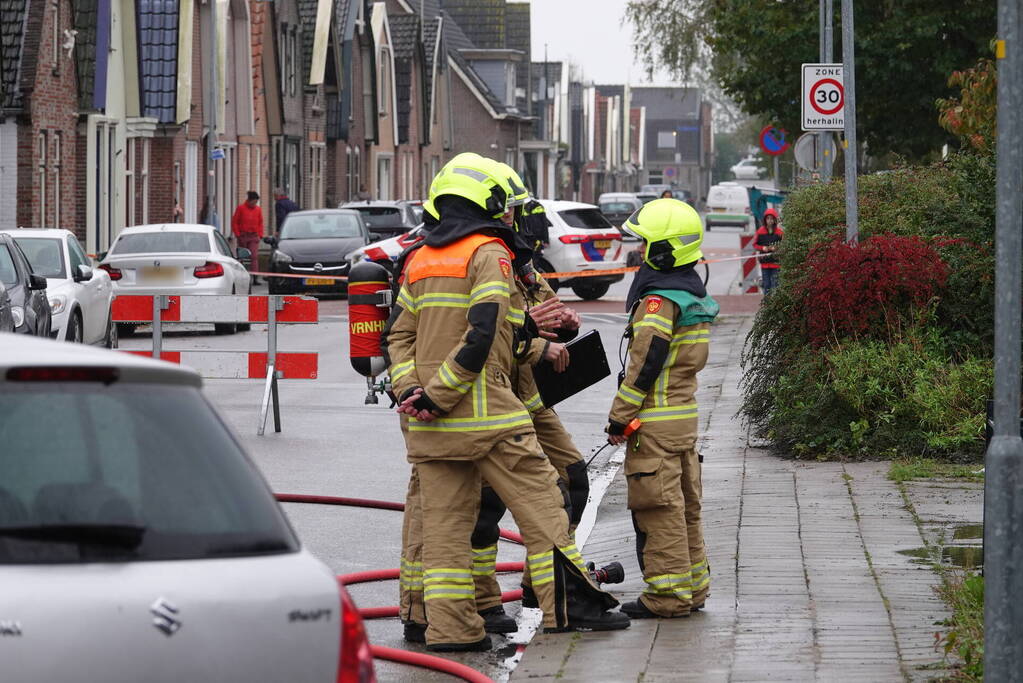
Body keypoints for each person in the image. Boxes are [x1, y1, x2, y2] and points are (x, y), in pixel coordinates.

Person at [384, 153, 628, 652]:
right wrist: (442, 393)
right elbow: (485, 329)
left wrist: (413, 392)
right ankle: (571, 604)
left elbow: (398, 338)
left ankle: (451, 629)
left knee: (445, 530)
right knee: (544, 507)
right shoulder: (487, 253)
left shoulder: (420, 257)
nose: (513, 218)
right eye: (507, 207)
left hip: (428, 427)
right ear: (488, 203)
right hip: (488, 417)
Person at [607, 198, 718, 619]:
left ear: (663, 250)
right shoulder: (692, 296)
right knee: (686, 508)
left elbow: (644, 364)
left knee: (659, 511)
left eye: (645, 243)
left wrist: (620, 416)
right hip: (683, 420)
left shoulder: (659, 302)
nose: (639, 251)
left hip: (652, 422)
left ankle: (669, 597)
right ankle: (695, 589)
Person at [231, 191, 264, 271]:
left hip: (254, 236)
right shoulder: (241, 208)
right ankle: (241, 273)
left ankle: (255, 275)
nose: (255, 204)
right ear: (249, 200)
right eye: (254, 202)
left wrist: (260, 235)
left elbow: (260, 223)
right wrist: (238, 234)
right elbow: (235, 222)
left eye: (256, 202)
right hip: (243, 236)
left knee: (254, 256)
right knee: (242, 256)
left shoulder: (258, 210)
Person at [754, 207, 783, 295]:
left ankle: (774, 304)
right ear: (765, 220)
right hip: (765, 263)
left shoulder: (779, 233)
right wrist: (763, 248)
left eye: (772, 218)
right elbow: (755, 245)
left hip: (776, 264)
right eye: (768, 218)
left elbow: (784, 245)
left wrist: (777, 248)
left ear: (775, 220)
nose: (769, 221)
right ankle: (767, 303)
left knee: (775, 285)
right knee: (766, 284)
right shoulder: (760, 232)